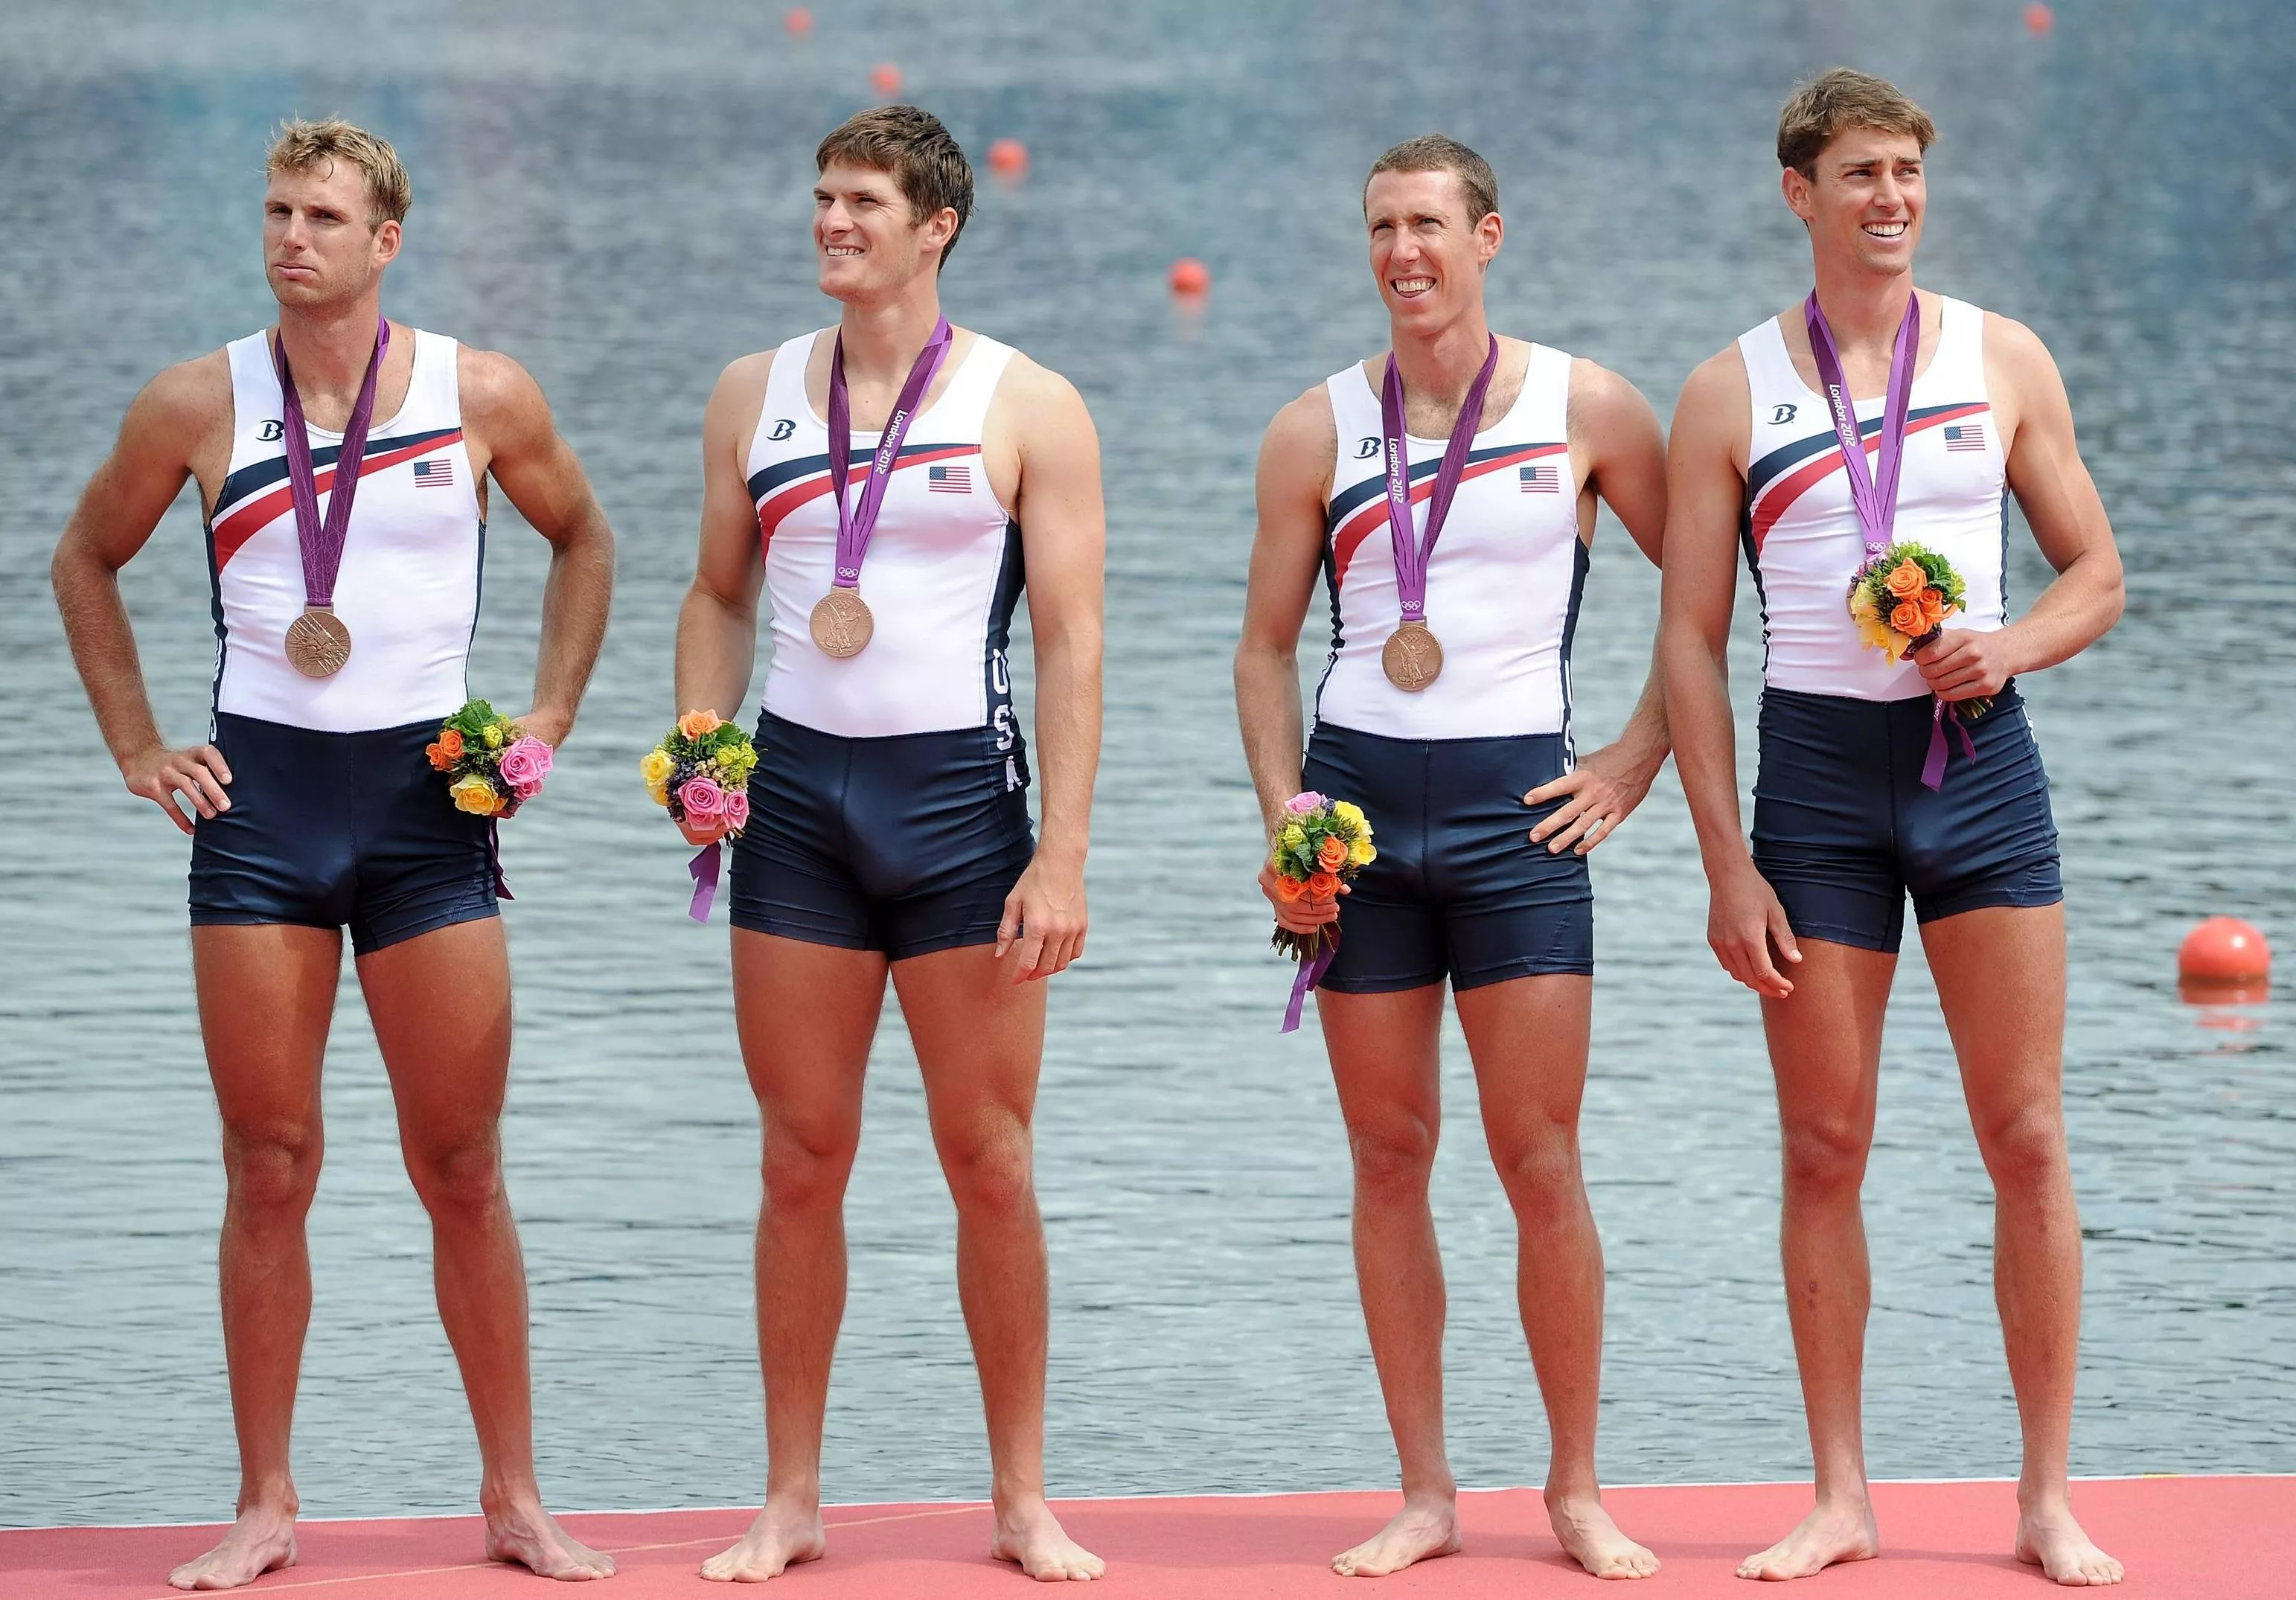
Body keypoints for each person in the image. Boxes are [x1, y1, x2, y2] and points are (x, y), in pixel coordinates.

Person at [49, 120, 618, 1588]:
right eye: (276, 212)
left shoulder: (480, 394)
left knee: (462, 1165)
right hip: (261, 817)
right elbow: (83, 558)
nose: (291, 238)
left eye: (322, 216)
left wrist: (547, 715)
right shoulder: (197, 402)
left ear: (387, 242)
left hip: (431, 814)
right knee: (268, 1163)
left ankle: (516, 1500)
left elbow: (585, 540)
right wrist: (137, 744)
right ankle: (264, 1504)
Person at [1658, 69, 2126, 1587]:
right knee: (1824, 1145)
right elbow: (1689, 647)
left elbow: (2097, 576)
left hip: (1978, 766)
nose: (1891, 199)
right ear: (1800, 193)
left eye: (1908, 172)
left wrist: (2011, 645)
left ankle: (2045, 1498)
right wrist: (1726, 863)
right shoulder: (1731, 391)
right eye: (1861, 174)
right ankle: (1841, 1494)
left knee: (2028, 1133)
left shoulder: (2003, 358)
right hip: (1813, 791)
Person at [673, 105, 1106, 1584]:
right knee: (801, 1158)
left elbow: (1070, 640)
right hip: (796, 811)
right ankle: (791, 1498)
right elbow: (719, 595)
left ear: (938, 228)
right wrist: (700, 744)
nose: (833, 223)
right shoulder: (753, 393)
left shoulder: (1027, 404)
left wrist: (1062, 854)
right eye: (823, 198)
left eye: (864, 203)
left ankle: (1022, 1498)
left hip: (961, 816)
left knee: (989, 1158)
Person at [1234, 135, 1672, 1581]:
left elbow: (1709, 595)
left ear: (1488, 236)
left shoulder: (1587, 407)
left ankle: (1577, 1490)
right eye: (1381, 227)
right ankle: (1426, 1492)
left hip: (1517, 820)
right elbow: (1264, 649)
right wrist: (1285, 811)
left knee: (1540, 1158)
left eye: (1427, 224)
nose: (1402, 252)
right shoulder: (1314, 429)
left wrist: (1637, 756)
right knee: (1387, 1154)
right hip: (1357, 820)